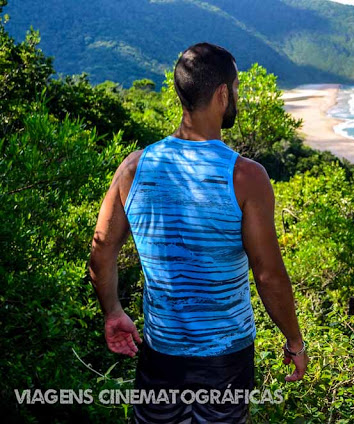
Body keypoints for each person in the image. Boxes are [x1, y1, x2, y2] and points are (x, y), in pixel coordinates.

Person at [89, 42, 308, 424]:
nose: (236, 97)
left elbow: (102, 250)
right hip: (225, 362)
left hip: (159, 355)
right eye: (236, 89)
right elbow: (268, 275)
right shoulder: (245, 177)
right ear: (223, 93)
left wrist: (113, 312)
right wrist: (294, 340)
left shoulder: (134, 168)